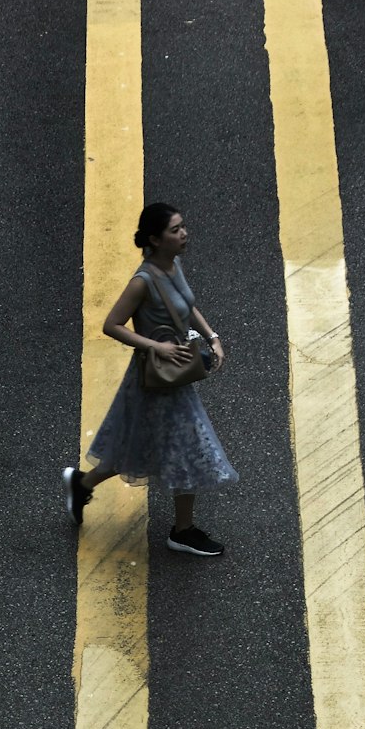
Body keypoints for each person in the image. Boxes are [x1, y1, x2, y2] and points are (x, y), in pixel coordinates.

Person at [63, 201, 238, 557]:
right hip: (156, 379)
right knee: (188, 449)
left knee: (139, 446)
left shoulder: (174, 266)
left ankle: (82, 484)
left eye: (182, 226)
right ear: (155, 240)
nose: (184, 233)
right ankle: (183, 531)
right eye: (175, 230)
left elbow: (186, 307)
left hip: (174, 376)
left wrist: (212, 336)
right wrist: (154, 346)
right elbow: (110, 325)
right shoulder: (141, 282)